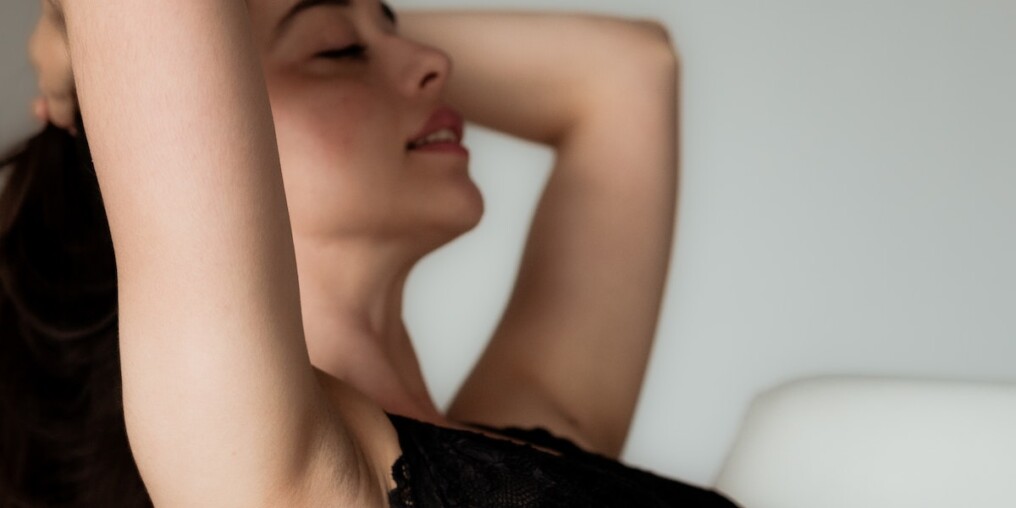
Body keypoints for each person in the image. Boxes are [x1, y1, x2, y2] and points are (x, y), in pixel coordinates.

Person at [0, 0, 739, 506]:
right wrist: (90, 42)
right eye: (338, 49)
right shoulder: (271, 472)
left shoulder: (531, 439)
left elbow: (631, 69)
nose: (436, 61)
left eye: (393, 24)